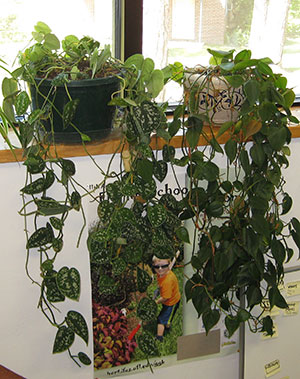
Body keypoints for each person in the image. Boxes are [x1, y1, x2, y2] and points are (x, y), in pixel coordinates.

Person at [152, 252, 181, 342]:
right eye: (157, 267)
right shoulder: (163, 273)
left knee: (161, 320)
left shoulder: (167, 281)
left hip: (171, 302)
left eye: (163, 266)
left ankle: (159, 337)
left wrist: (155, 302)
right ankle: (168, 324)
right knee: (167, 317)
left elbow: (165, 297)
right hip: (172, 299)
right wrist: (159, 289)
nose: (160, 269)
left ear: (168, 265)